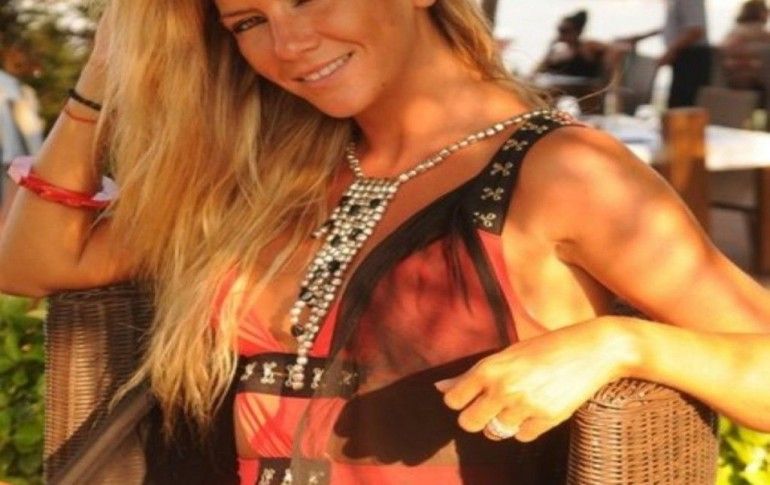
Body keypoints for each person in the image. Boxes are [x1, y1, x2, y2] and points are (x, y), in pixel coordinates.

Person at [1, 0, 769, 483]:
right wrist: (101, 78)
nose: (288, 44)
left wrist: (626, 344)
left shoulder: (561, 173)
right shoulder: (274, 169)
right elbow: (32, 263)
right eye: (247, 22)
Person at [624, 0, 711, 107]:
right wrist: (640, 37)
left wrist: (670, 52)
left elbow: (696, 30)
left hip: (692, 59)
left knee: (684, 105)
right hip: (683, 57)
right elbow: (674, 26)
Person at [0, 44, 44, 222]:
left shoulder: (18, 88)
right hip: (11, 158)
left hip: (13, 158)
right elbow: (26, 125)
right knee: (9, 214)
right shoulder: (8, 85)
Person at [533, 10, 608, 79]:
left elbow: (611, 53)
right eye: (559, 30)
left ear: (578, 31)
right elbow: (536, 72)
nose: (561, 34)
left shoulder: (589, 47)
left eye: (565, 31)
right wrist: (550, 50)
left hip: (587, 85)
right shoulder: (559, 53)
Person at [720, 0, 770, 92]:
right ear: (761, 13)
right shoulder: (757, 30)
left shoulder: (734, 30)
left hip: (729, 79)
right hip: (749, 79)